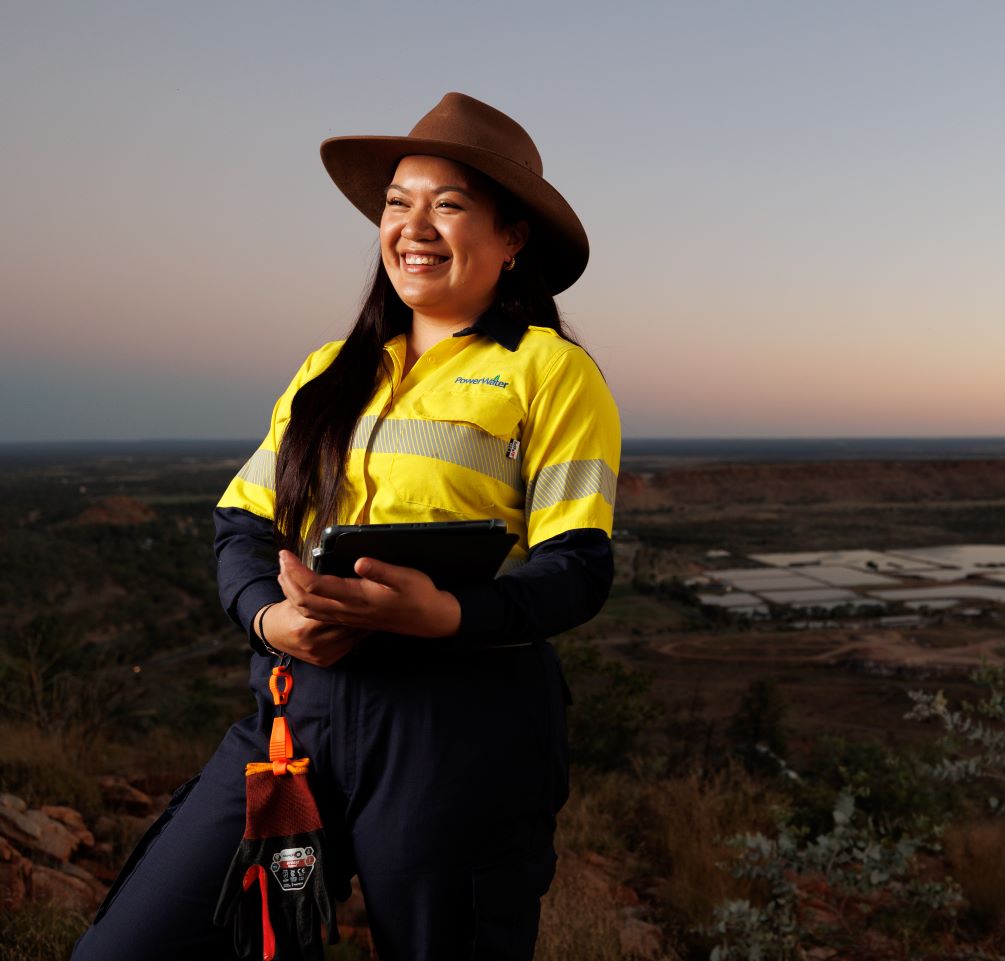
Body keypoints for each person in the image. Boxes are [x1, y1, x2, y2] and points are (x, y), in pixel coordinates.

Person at [72, 93, 620, 960]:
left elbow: (577, 567)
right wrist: (268, 617)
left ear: (512, 238)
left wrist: (443, 615)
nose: (414, 225)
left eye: (448, 204)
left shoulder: (551, 372)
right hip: (296, 714)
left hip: (457, 728)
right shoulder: (329, 371)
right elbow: (242, 525)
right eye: (398, 203)